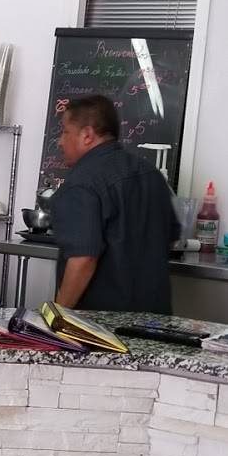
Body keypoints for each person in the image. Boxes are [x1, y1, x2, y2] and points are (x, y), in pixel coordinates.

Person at [50, 93, 179, 313]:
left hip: (101, 323)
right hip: (156, 320)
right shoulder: (151, 174)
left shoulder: (81, 183)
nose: (60, 141)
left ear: (87, 135)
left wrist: (58, 316)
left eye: (65, 131)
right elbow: (170, 237)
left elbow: (83, 259)